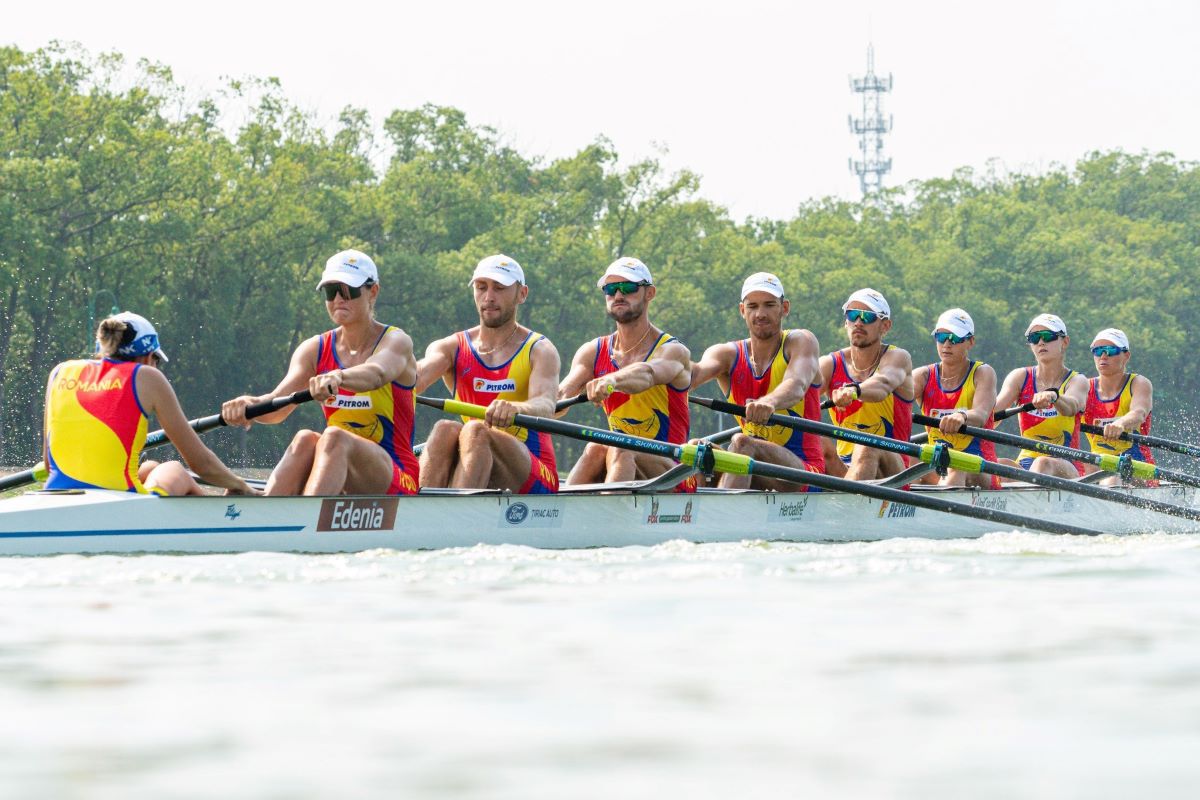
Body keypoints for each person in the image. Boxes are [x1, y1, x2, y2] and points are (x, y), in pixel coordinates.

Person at [221, 249, 419, 496]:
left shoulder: (396, 341)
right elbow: (277, 407)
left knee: (334, 436)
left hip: (398, 475)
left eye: (348, 290)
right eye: (331, 291)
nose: (338, 299)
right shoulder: (314, 349)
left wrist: (340, 376)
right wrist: (249, 405)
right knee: (305, 438)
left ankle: (306, 514)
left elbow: (376, 374)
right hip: (340, 468)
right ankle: (270, 510)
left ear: (373, 292)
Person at [44, 312, 255, 496]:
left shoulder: (60, 371)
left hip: (55, 493)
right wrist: (240, 485)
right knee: (175, 469)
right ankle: (218, 521)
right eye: (157, 360)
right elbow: (202, 464)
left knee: (150, 467)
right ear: (148, 356)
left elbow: (48, 463)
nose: (156, 366)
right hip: (119, 499)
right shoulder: (147, 377)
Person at [416, 254, 561, 493]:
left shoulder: (540, 349)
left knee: (475, 430)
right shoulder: (450, 347)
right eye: (481, 287)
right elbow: (416, 378)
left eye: (499, 288)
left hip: (535, 474)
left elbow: (546, 405)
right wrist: (381, 375)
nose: (489, 297)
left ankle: (457, 509)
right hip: (476, 458)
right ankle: (423, 511)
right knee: (444, 428)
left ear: (522, 294)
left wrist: (516, 408)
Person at [557, 257, 695, 490]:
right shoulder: (592, 351)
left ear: (650, 293)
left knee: (622, 444)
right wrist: (523, 407)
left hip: (674, 473)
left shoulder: (673, 351)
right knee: (595, 448)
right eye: (611, 289)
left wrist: (612, 379)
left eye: (628, 287)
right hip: (621, 460)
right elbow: (561, 396)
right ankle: (562, 509)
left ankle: (609, 509)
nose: (618, 295)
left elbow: (647, 374)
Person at [689, 272, 824, 490]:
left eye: (769, 305)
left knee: (742, 442)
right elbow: (693, 375)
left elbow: (797, 384)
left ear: (784, 308)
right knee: (698, 448)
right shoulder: (726, 354)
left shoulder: (801, 341)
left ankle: (722, 509)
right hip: (753, 467)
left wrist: (769, 402)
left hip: (805, 473)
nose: (760, 314)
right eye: (752, 306)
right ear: (742, 310)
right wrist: (660, 372)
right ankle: (701, 508)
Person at [819, 288, 914, 480]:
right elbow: (800, 392)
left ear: (885, 326)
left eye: (867, 317)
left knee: (867, 444)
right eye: (852, 315)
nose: (858, 322)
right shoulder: (829, 364)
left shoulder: (898, 358)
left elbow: (883, 384)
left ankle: (846, 497)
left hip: (892, 472)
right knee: (816, 440)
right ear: (846, 322)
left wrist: (854, 390)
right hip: (844, 467)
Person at [912, 308, 1000, 489]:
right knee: (906, 461)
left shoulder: (982, 373)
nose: (946, 344)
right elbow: (896, 400)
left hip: (980, 466)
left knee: (956, 467)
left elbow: (981, 414)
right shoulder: (922, 376)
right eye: (941, 337)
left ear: (970, 342)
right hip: (938, 462)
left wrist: (962, 416)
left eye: (955, 338)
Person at [994, 313, 1088, 478]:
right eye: (1034, 338)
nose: (1041, 342)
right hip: (1026, 462)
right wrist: (965, 417)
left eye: (1048, 336)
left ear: (1065, 342)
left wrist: (1055, 396)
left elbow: (1072, 407)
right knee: (996, 465)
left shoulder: (1077, 380)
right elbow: (991, 415)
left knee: (1042, 463)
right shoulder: (1019, 377)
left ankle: (1028, 489)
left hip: (1067, 463)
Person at [1081, 327, 1155, 485]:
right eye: (1098, 350)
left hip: (1137, 466)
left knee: (1113, 477)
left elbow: (1139, 413)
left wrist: (1120, 423)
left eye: (1110, 350)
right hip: (1099, 463)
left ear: (1126, 356)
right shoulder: (1084, 387)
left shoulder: (1138, 383)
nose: (1103, 356)